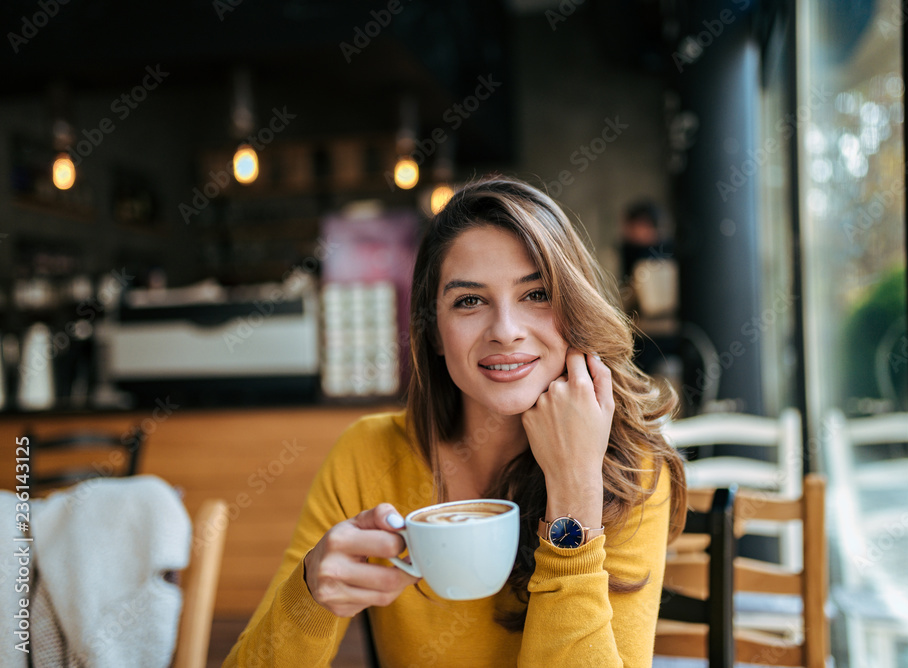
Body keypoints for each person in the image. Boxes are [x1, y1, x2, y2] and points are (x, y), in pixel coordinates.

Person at [223, 176, 687, 667]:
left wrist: (574, 488)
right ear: (437, 332)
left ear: (575, 308)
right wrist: (309, 597)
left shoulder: (628, 471)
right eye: (469, 301)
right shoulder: (368, 453)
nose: (506, 331)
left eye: (536, 294)